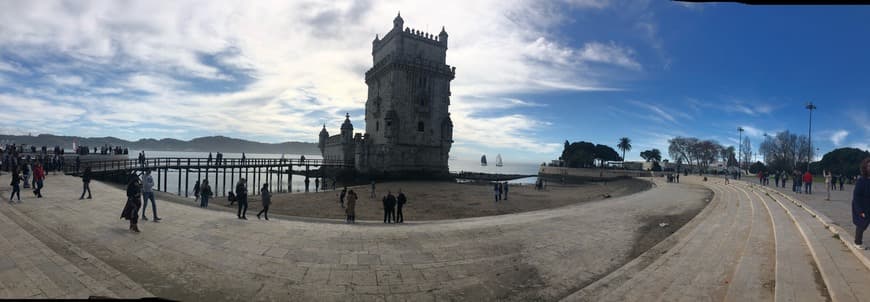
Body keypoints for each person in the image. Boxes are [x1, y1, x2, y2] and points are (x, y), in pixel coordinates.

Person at [851, 158, 870, 250]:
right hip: (863, 207)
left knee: (864, 224)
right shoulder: (861, 180)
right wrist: (860, 211)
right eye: (869, 166)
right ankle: (857, 242)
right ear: (865, 168)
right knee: (861, 224)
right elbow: (856, 197)